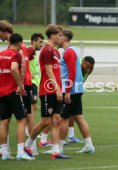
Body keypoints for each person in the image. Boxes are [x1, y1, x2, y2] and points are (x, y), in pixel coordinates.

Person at [25, 24, 70, 159]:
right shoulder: (47, 50)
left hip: (56, 89)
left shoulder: (56, 51)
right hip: (48, 89)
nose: (61, 38)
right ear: (52, 36)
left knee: (56, 120)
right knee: (45, 121)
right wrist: (57, 89)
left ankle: (56, 151)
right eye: (59, 35)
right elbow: (49, 72)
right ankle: (28, 145)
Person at [57, 30, 96, 154]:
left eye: (59, 36)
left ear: (64, 38)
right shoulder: (72, 50)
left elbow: (72, 72)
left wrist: (67, 91)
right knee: (79, 117)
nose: (57, 38)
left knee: (63, 118)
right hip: (77, 89)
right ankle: (89, 145)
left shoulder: (68, 52)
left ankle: (58, 148)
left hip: (71, 91)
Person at [0, 33, 34, 160]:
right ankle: (20, 152)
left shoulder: (1, 54)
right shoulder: (16, 55)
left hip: (1, 93)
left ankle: (5, 153)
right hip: (13, 92)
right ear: (19, 43)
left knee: (4, 122)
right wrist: (20, 85)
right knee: (22, 120)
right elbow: (14, 68)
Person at [67, 56, 95, 143]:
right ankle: (51, 139)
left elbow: (81, 80)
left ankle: (70, 136)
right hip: (70, 90)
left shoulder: (88, 70)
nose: (88, 69)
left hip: (77, 92)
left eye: (90, 67)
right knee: (63, 116)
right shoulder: (76, 63)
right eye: (87, 67)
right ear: (83, 62)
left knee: (72, 115)